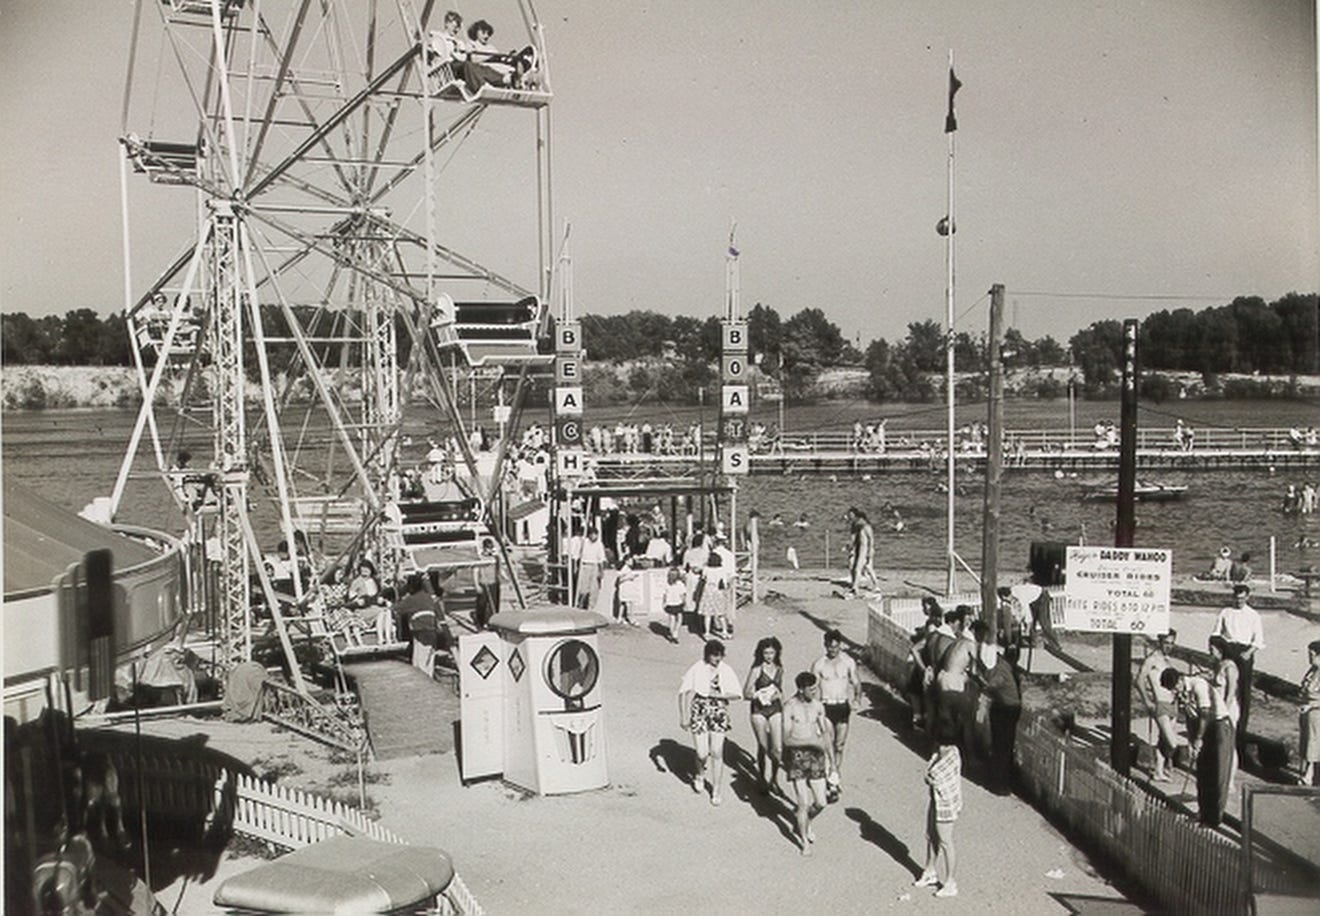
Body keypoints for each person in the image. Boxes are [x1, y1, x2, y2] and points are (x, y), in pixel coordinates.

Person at [1163, 667, 1233, 827]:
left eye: (1175, 687)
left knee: (1217, 774)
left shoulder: (1198, 685)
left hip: (1219, 726)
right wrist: (1192, 742)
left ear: (1181, 679)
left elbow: (1205, 714)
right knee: (1202, 773)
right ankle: (1203, 813)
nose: (1174, 691)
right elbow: (1190, 718)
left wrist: (1199, 739)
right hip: (1202, 728)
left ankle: (1214, 818)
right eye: (1171, 690)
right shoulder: (1181, 693)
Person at [677, 639, 742, 806]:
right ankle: (699, 773)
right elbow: (683, 692)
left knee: (717, 751)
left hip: (719, 711)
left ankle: (716, 790)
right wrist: (684, 716)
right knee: (702, 753)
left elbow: (737, 693)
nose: (717, 659)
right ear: (708, 655)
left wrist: (720, 696)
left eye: (720, 655)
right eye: (714, 655)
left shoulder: (726, 670)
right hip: (700, 709)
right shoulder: (698, 668)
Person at [781, 670, 835, 855]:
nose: (815, 691)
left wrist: (833, 764)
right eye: (811, 689)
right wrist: (811, 742)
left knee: (821, 802)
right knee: (803, 802)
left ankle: (805, 822)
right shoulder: (789, 707)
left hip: (817, 757)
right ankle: (804, 840)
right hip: (796, 757)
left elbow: (826, 735)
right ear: (801, 689)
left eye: (815, 687)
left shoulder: (818, 706)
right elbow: (786, 740)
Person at [914, 715, 963, 898]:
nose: (940, 747)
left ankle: (951, 882)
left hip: (946, 803)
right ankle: (930, 871)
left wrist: (929, 776)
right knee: (931, 835)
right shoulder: (940, 751)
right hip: (935, 799)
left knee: (945, 841)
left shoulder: (952, 755)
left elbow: (933, 776)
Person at [810, 629, 861, 800]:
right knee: (828, 745)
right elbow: (812, 688)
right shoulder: (819, 664)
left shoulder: (848, 662)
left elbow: (856, 682)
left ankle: (834, 777)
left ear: (840, 646)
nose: (833, 650)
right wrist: (813, 710)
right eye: (830, 647)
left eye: (836, 647)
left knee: (839, 745)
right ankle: (831, 778)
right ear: (825, 646)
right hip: (826, 706)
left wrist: (857, 699)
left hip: (842, 706)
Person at [971, 621, 1021, 794]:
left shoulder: (1001, 668)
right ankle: (999, 782)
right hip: (1007, 709)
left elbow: (989, 682)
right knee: (1003, 747)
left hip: (1005, 709)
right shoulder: (1005, 669)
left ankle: (998, 781)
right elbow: (991, 682)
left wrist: (979, 679)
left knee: (1002, 747)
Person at [1213, 582, 1264, 748]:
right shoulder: (1226, 612)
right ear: (1233, 597)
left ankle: (1240, 732)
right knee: (1224, 686)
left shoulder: (1253, 615)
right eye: (1237, 598)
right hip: (1228, 649)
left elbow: (1258, 641)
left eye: (1242, 599)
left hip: (1244, 652)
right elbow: (1215, 634)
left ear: (1247, 597)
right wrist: (1217, 651)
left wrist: (1248, 653)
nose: (1239, 602)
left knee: (1243, 692)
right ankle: (1222, 721)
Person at [742, 637, 785, 794]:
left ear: (776, 653)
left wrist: (778, 696)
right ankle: (761, 777)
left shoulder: (779, 668)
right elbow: (745, 692)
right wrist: (759, 695)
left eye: (771, 653)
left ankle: (774, 778)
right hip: (759, 709)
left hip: (775, 708)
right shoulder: (756, 670)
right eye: (766, 653)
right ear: (761, 653)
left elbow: (781, 690)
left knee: (778, 749)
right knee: (763, 746)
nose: (768, 656)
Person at [1136, 630, 1179, 781]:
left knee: (1163, 740)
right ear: (1160, 641)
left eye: (1172, 643)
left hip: (1173, 703)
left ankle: (1159, 771)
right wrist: (1147, 700)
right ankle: (1166, 765)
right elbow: (1139, 680)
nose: (1169, 646)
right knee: (1172, 742)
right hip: (1160, 704)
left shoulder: (1168, 660)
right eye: (1166, 643)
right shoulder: (1152, 659)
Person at [936, 607, 978, 756]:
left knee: (946, 718)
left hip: (943, 677)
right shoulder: (970, 644)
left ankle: (942, 751)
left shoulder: (956, 642)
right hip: (954, 680)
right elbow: (975, 669)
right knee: (966, 721)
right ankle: (970, 755)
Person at [697, 551, 731, 640]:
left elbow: (703, 578)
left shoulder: (706, 569)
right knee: (721, 614)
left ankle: (707, 633)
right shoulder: (722, 569)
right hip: (718, 591)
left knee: (707, 614)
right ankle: (724, 632)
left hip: (708, 591)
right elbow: (725, 582)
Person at [1300, 639, 1320, 786]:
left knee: (1313, 744)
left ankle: (1310, 775)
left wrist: (1312, 705)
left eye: (1312, 654)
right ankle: (1307, 772)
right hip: (1306, 711)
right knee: (1306, 742)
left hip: (1317, 713)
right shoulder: (1312, 671)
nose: (1309, 657)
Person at [576, 528, 606, 610]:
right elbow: (577, 556)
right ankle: (580, 605)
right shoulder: (584, 543)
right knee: (583, 590)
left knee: (594, 589)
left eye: (595, 534)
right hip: (584, 565)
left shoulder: (599, 544)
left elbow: (601, 559)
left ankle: (591, 608)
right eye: (592, 534)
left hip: (594, 566)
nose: (594, 536)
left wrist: (601, 571)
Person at [473, 538, 500, 630]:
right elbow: (475, 572)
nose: (489, 550)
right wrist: (476, 585)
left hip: (493, 583)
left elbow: (500, 569)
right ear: (484, 548)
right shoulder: (480, 558)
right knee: (482, 605)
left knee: (494, 604)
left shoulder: (495, 557)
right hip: (483, 583)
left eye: (491, 548)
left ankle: (494, 623)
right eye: (488, 548)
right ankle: (480, 623)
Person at [661, 566, 687, 644]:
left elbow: (664, 595)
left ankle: (672, 633)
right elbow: (682, 595)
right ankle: (676, 632)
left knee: (671, 619)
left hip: (669, 603)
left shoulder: (666, 584)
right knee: (679, 618)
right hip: (678, 603)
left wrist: (664, 602)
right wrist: (684, 602)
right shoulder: (680, 584)